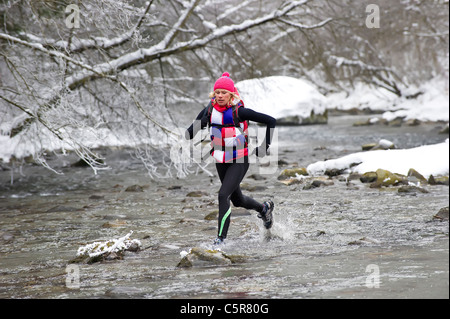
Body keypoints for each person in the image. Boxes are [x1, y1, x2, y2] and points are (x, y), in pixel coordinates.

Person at [185, 72, 276, 246]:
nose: (220, 96)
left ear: (231, 95)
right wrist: (201, 122)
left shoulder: (239, 112)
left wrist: (264, 147)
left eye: (224, 93)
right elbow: (189, 134)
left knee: (223, 195)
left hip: (240, 159)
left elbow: (271, 121)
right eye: (217, 92)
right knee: (237, 200)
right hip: (221, 160)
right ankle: (264, 209)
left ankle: (220, 239)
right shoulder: (208, 110)